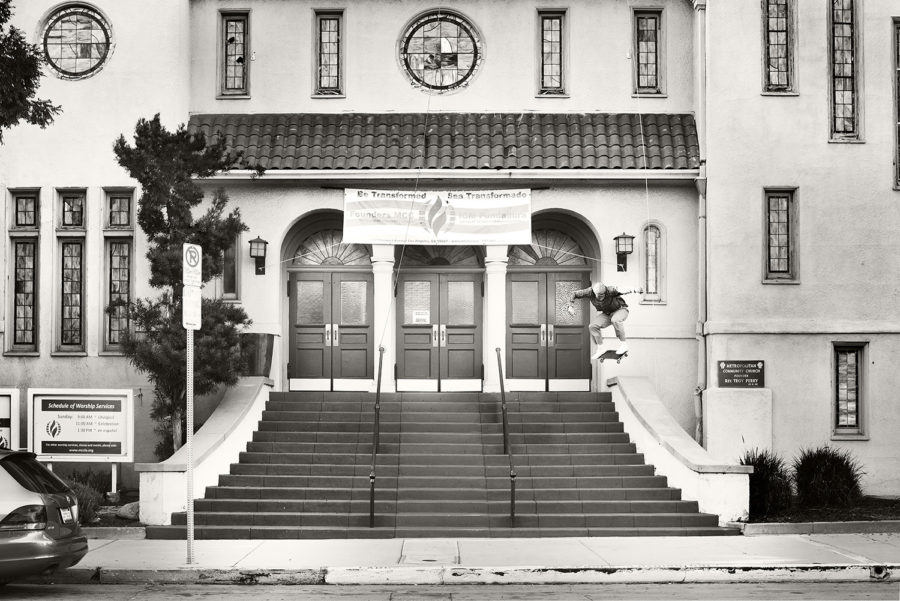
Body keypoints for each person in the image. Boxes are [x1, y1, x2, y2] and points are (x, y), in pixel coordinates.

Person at [570, 282, 642, 359]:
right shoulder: (589, 292)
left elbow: (622, 289)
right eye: (599, 296)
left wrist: (634, 289)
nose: (601, 297)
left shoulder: (610, 290)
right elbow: (574, 294)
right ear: (594, 293)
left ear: (605, 292)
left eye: (602, 295)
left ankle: (624, 345)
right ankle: (601, 348)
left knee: (615, 320)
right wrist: (571, 306)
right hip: (607, 314)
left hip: (621, 310)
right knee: (592, 326)